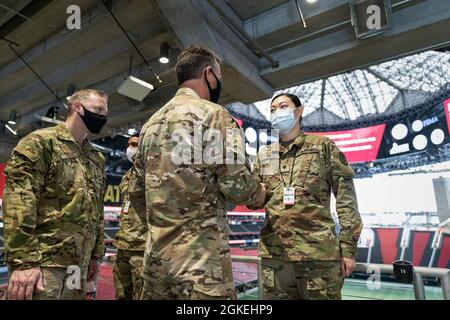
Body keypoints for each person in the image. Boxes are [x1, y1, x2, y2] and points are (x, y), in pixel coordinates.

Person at [130, 45, 266, 300]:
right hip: (202, 270)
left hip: (156, 267)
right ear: (208, 74)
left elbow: (137, 193)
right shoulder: (214, 116)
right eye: (219, 77)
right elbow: (238, 185)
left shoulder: (150, 125)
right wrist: (259, 194)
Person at [252, 93, 363, 300]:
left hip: (318, 257)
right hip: (275, 258)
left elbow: (346, 199)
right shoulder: (264, 155)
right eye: (273, 109)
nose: (277, 113)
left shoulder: (323, 147)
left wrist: (348, 248)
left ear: (299, 111)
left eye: (283, 106)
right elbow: (253, 202)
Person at [3, 89, 108, 300]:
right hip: (44, 263)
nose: (104, 116)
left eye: (106, 112)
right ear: (78, 106)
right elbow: (19, 202)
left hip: (79, 265)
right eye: (98, 109)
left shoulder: (96, 158)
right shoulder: (41, 143)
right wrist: (24, 262)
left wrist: (96, 256)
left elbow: (96, 209)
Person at [113, 133, 148, 300]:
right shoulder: (127, 176)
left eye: (135, 145)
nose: (130, 148)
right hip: (123, 245)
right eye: (129, 144)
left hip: (141, 248)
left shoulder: (152, 175)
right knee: (121, 295)